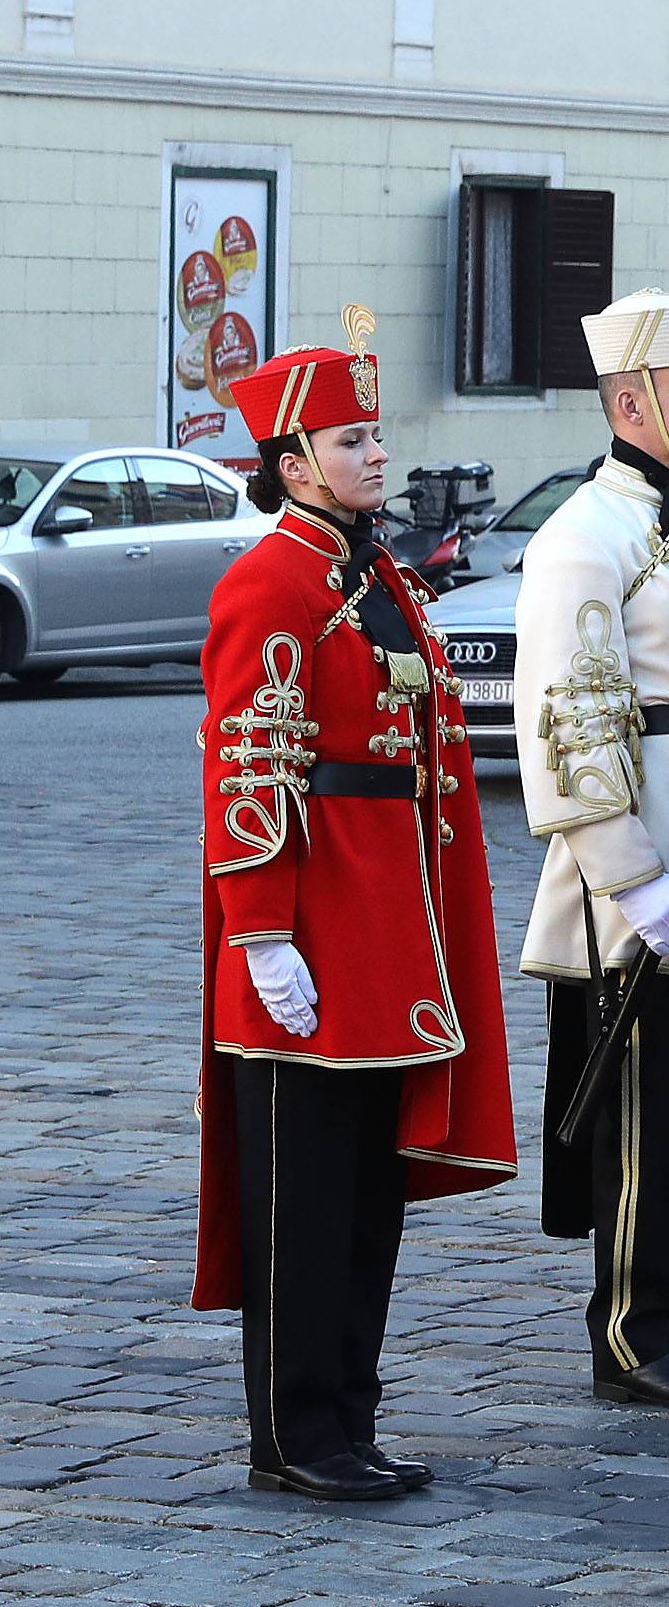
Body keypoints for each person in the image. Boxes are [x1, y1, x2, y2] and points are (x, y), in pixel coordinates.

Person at [197, 322, 516, 1502]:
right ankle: (294, 1433)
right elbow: (250, 768)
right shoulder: (269, 582)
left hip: (389, 928)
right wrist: (263, 931)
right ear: (292, 461)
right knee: (302, 1201)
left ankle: (352, 1413)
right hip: (311, 927)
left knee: (366, 1195)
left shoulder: (370, 573)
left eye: (378, 433)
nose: (376, 453)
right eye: (351, 437)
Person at [515, 291, 669, 1406]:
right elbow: (572, 721)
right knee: (643, 1122)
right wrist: (636, 880)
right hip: (642, 862)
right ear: (632, 398)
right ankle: (633, 1330)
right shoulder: (586, 532)